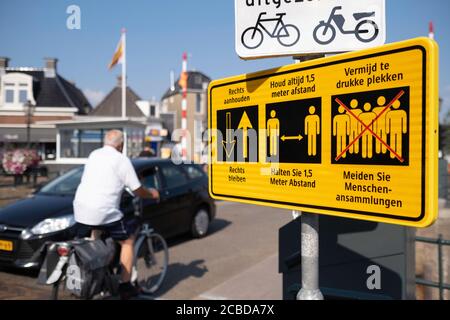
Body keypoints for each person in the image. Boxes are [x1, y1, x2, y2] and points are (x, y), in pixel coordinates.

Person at [73, 130, 159, 299]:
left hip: (80, 209)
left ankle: (98, 277)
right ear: (121, 145)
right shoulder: (121, 160)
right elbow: (138, 190)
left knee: (95, 235)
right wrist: (152, 194)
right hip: (104, 211)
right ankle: (125, 286)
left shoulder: (94, 155)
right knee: (127, 241)